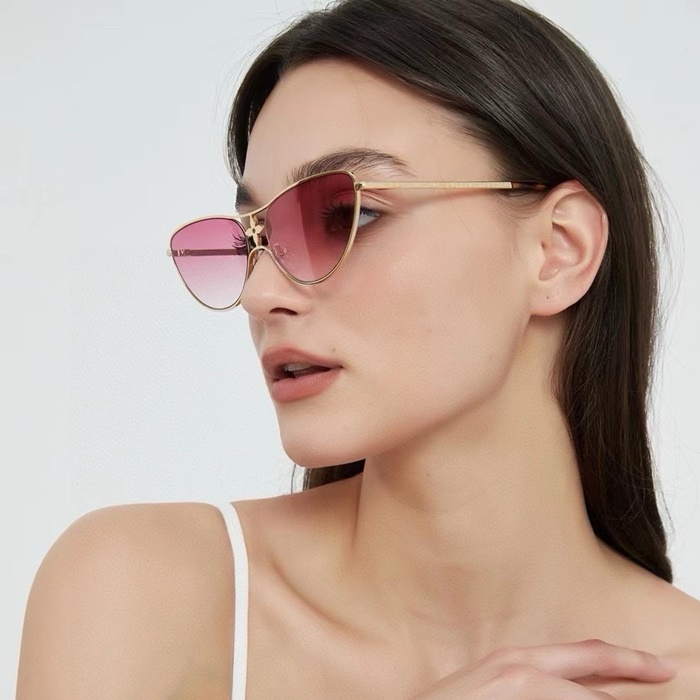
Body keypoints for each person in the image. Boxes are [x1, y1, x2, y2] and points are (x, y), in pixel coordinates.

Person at [16, 0, 700, 697]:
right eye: (255, 239)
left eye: (348, 214)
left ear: (558, 250)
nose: (260, 294)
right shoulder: (142, 593)